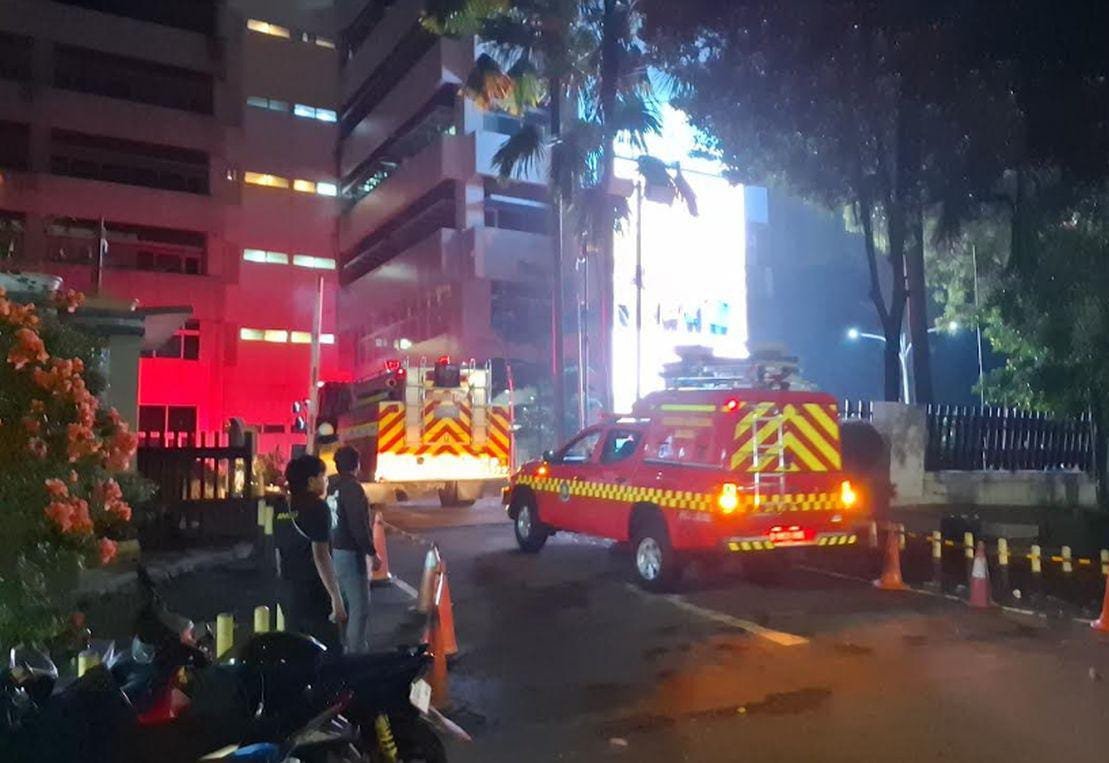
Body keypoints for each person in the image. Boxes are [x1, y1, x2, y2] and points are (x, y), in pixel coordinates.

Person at [274, 454, 346, 650]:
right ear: (311, 481)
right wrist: (336, 598)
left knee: (297, 649)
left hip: (288, 591)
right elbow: (321, 556)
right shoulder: (318, 508)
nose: (327, 480)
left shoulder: (281, 507)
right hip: (314, 592)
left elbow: (277, 552)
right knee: (328, 650)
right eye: (323, 476)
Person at [327, 446, 380, 653]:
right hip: (350, 553)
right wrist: (372, 553)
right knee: (359, 607)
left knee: (340, 603)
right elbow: (359, 525)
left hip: (333, 550)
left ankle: (339, 647)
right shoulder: (353, 489)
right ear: (356, 465)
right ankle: (356, 653)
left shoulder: (331, 486)